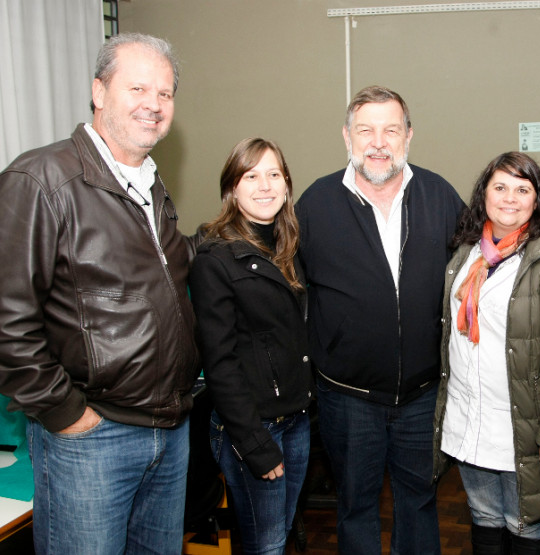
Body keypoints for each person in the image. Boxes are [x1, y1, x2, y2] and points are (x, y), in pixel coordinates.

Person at [0, 33, 198, 553]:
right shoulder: (41, 180)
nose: (153, 105)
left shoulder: (152, 185)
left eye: (165, 93)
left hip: (168, 431)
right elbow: (8, 320)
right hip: (94, 438)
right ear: (98, 90)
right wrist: (67, 415)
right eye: (138, 88)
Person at [294, 85, 465, 554]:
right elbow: (292, 293)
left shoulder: (440, 196)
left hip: (422, 396)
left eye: (391, 130)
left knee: (419, 502)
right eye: (366, 130)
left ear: (409, 136)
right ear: (346, 136)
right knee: (356, 508)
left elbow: (479, 269)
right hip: (347, 399)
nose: (378, 142)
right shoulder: (315, 204)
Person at [432, 152, 540, 555]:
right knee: (483, 515)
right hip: (470, 418)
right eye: (500, 187)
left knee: (526, 521)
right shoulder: (466, 255)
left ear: (538, 201)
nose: (510, 198)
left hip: (525, 425)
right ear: (484, 194)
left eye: (523, 189)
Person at [189, 138, 314, 554]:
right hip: (254, 428)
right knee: (267, 544)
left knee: (278, 532)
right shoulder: (215, 259)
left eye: (274, 174)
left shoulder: (289, 248)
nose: (265, 185)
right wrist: (255, 443)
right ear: (232, 189)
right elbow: (219, 363)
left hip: (296, 420)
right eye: (251, 175)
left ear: (287, 184)